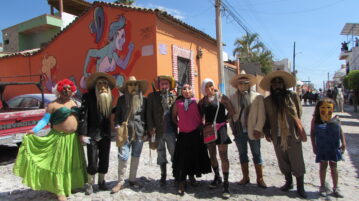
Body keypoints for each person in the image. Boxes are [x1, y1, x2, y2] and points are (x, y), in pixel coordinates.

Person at [13, 79, 87, 201]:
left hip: (73, 140)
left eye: (69, 89)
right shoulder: (52, 105)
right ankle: (59, 190)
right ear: (59, 90)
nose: (66, 91)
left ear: (72, 91)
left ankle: (69, 184)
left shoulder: (74, 103)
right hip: (58, 138)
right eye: (64, 88)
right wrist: (34, 130)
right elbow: (44, 120)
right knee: (59, 165)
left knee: (70, 163)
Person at [260, 70, 307, 198]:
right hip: (277, 135)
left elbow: (299, 112)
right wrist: (266, 130)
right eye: (274, 84)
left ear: (283, 85)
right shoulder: (267, 101)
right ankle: (288, 182)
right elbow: (266, 118)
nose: (277, 86)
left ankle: (300, 187)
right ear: (271, 86)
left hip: (292, 134)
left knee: (297, 160)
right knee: (283, 161)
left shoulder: (293, 96)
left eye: (279, 83)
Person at [78, 72, 116, 194]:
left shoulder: (110, 97)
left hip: (105, 134)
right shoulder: (88, 97)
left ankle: (101, 181)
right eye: (99, 83)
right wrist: (82, 133)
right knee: (92, 160)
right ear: (95, 85)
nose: (102, 86)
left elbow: (112, 113)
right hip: (91, 134)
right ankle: (90, 183)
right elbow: (83, 116)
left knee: (104, 159)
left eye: (105, 83)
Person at [171, 84, 211, 195]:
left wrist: (201, 124)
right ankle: (182, 182)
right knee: (183, 158)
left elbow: (203, 114)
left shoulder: (196, 102)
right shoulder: (177, 103)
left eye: (189, 88)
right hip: (183, 134)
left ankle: (192, 177)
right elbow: (174, 116)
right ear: (181, 91)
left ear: (192, 90)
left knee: (194, 156)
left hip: (196, 134)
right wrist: (179, 124)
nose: (187, 90)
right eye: (184, 89)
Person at [229, 73, 267, 188]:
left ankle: (260, 179)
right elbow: (231, 115)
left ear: (249, 85)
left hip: (253, 130)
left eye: (245, 83)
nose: (242, 86)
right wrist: (233, 128)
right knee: (242, 154)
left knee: (257, 154)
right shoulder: (233, 98)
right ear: (237, 85)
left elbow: (262, 115)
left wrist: (258, 129)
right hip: (240, 131)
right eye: (240, 83)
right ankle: (245, 177)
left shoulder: (258, 97)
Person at [198, 78, 234, 199]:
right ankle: (217, 177)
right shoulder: (203, 101)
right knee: (212, 155)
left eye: (210, 85)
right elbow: (199, 114)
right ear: (203, 89)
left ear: (213, 86)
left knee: (224, 156)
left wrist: (224, 121)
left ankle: (226, 184)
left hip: (221, 130)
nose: (209, 88)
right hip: (209, 131)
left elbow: (232, 110)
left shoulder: (221, 97)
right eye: (206, 86)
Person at [111, 76, 148, 193]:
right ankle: (120, 181)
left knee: (136, 155)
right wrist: (117, 126)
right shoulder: (121, 100)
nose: (133, 87)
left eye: (135, 84)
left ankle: (132, 179)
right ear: (127, 87)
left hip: (139, 132)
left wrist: (146, 132)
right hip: (125, 132)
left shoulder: (144, 100)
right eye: (130, 84)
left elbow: (146, 116)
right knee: (123, 155)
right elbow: (117, 116)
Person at [310, 98, 346, 197]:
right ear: (318, 108)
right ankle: (322, 186)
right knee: (323, 166)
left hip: (333, 146)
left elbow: (340, 131)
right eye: (323, 107)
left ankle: (336, 187)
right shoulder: (316, 119)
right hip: (322, 146)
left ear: (333, 108)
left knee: (334, 166)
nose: (326, 109)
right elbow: (312, 133)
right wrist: (314, 145)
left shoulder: (336, 119)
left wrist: (343, 143)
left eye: (329, 107)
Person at [146, 75, 177, 186]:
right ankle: (163, 175)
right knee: (160, 153)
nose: (164, 86)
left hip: (170, 131)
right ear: (159, 85)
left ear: (169, 85)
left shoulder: (174, 97)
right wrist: (150, 128)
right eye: (162, 84)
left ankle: (176, 173)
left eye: (166, 84)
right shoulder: (152, 97)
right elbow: (148, 114)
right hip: (157, 131)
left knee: (174, 152)